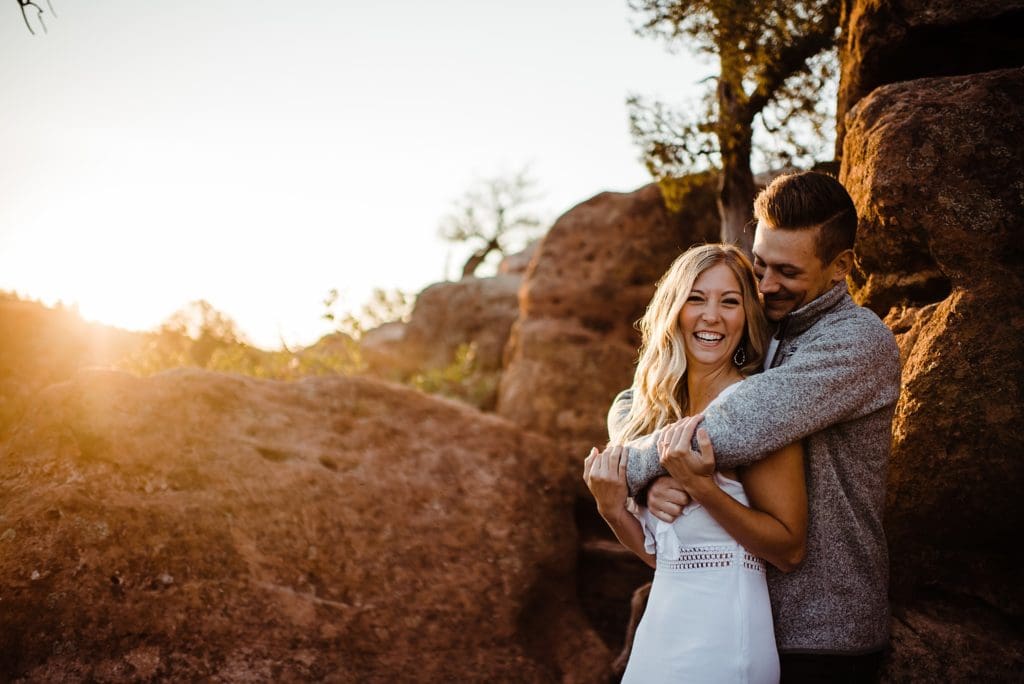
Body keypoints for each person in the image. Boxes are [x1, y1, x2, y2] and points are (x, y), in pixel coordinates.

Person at [621, 171, 901, 682]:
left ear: (840, 267)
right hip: (742, 612)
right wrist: (653, 471)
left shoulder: (857, 344)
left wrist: (631, 467)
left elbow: (737, 423)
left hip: (823, 630)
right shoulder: (760, 323)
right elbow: (631, 400)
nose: (767, 284)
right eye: (761, 263)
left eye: (788, 272)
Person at [584, 243, 807, 683]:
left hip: (724, 639)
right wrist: (612, 509)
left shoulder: (755, 408)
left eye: (730, 301)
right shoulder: (659, 415)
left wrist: (702, 486)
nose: (712, 316)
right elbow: (663, 559)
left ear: (746, 319)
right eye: (696, 298)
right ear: (674, 309)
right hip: (662, 634)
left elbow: (789, 549)